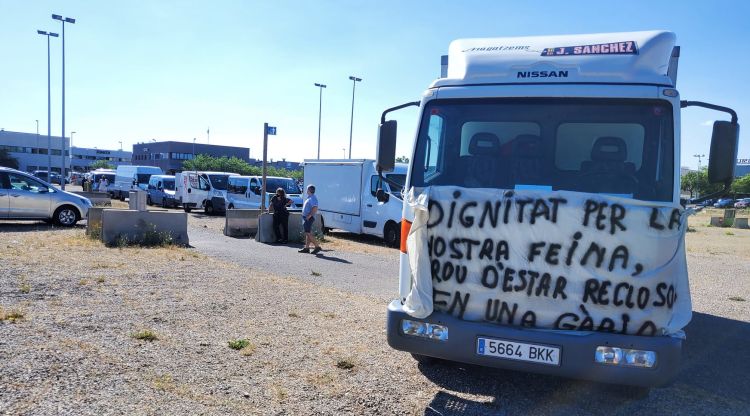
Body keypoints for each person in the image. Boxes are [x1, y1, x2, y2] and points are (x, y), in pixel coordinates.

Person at [299, 184, 321, 254]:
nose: (306, 190)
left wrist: (309, 216)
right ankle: (307, 248)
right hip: (307, 217)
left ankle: (317, 247)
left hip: (308, 218)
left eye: (307, 189)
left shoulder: (312, 198)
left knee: (308, 233)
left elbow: (315, 208)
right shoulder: (310, 197)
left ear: (309, 190)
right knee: (307, 233)